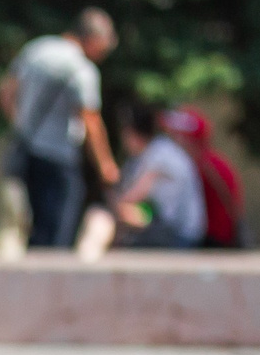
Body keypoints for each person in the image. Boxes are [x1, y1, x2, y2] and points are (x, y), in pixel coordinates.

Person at [0, 8, 119, 254]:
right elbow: (91, 120)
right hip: (58, 160)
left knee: (30, 229)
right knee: (56, 234)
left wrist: (20, 123)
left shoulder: (36, 50)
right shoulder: (82, 69)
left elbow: (6, 91)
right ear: (92, 39)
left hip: (26, 153)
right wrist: (106, 165)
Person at [75, 103, 206, 256]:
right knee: (107, 219)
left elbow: (130, 198)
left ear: (130, 133)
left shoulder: (160, 155)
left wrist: (108, 181)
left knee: (101, 219)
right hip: (168, 226)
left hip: (179, 234)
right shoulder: (147, 155)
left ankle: (87, 266)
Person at [158, 106, 245, 247]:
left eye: (176, 136)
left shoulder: (203, 167)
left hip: (212, 240)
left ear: (190, 140)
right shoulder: (210, 162)